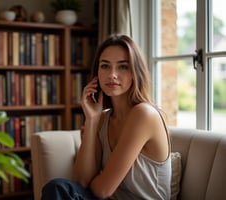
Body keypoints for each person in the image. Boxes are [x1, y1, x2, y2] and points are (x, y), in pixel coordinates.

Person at [41, 33, 171, 200]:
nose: (112, 75)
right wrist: (92, 120)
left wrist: (96, 182)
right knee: (57, 188)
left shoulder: (144, 114)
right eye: (105, 66)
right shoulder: (103, 118)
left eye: (123, 66)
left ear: (135, 72)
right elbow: (81, 181)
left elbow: (103, 191)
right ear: (97, 73)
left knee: (59, 189)